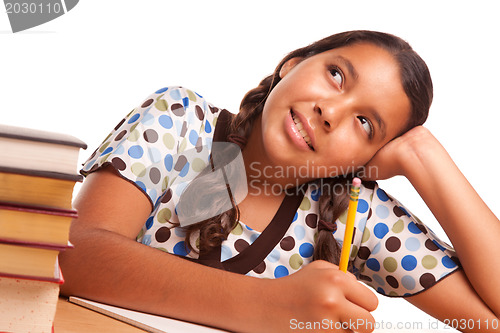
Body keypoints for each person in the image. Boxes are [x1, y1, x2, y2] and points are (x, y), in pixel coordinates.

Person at [59, 30, 500, 332]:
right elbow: (73, 256)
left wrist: (424, 156)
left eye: (365, 124)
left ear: (367, 160)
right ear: (292, 64)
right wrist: (264, 305)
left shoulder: (356, 213)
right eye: (336, 75)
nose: (331, 112)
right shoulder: (180, 120)